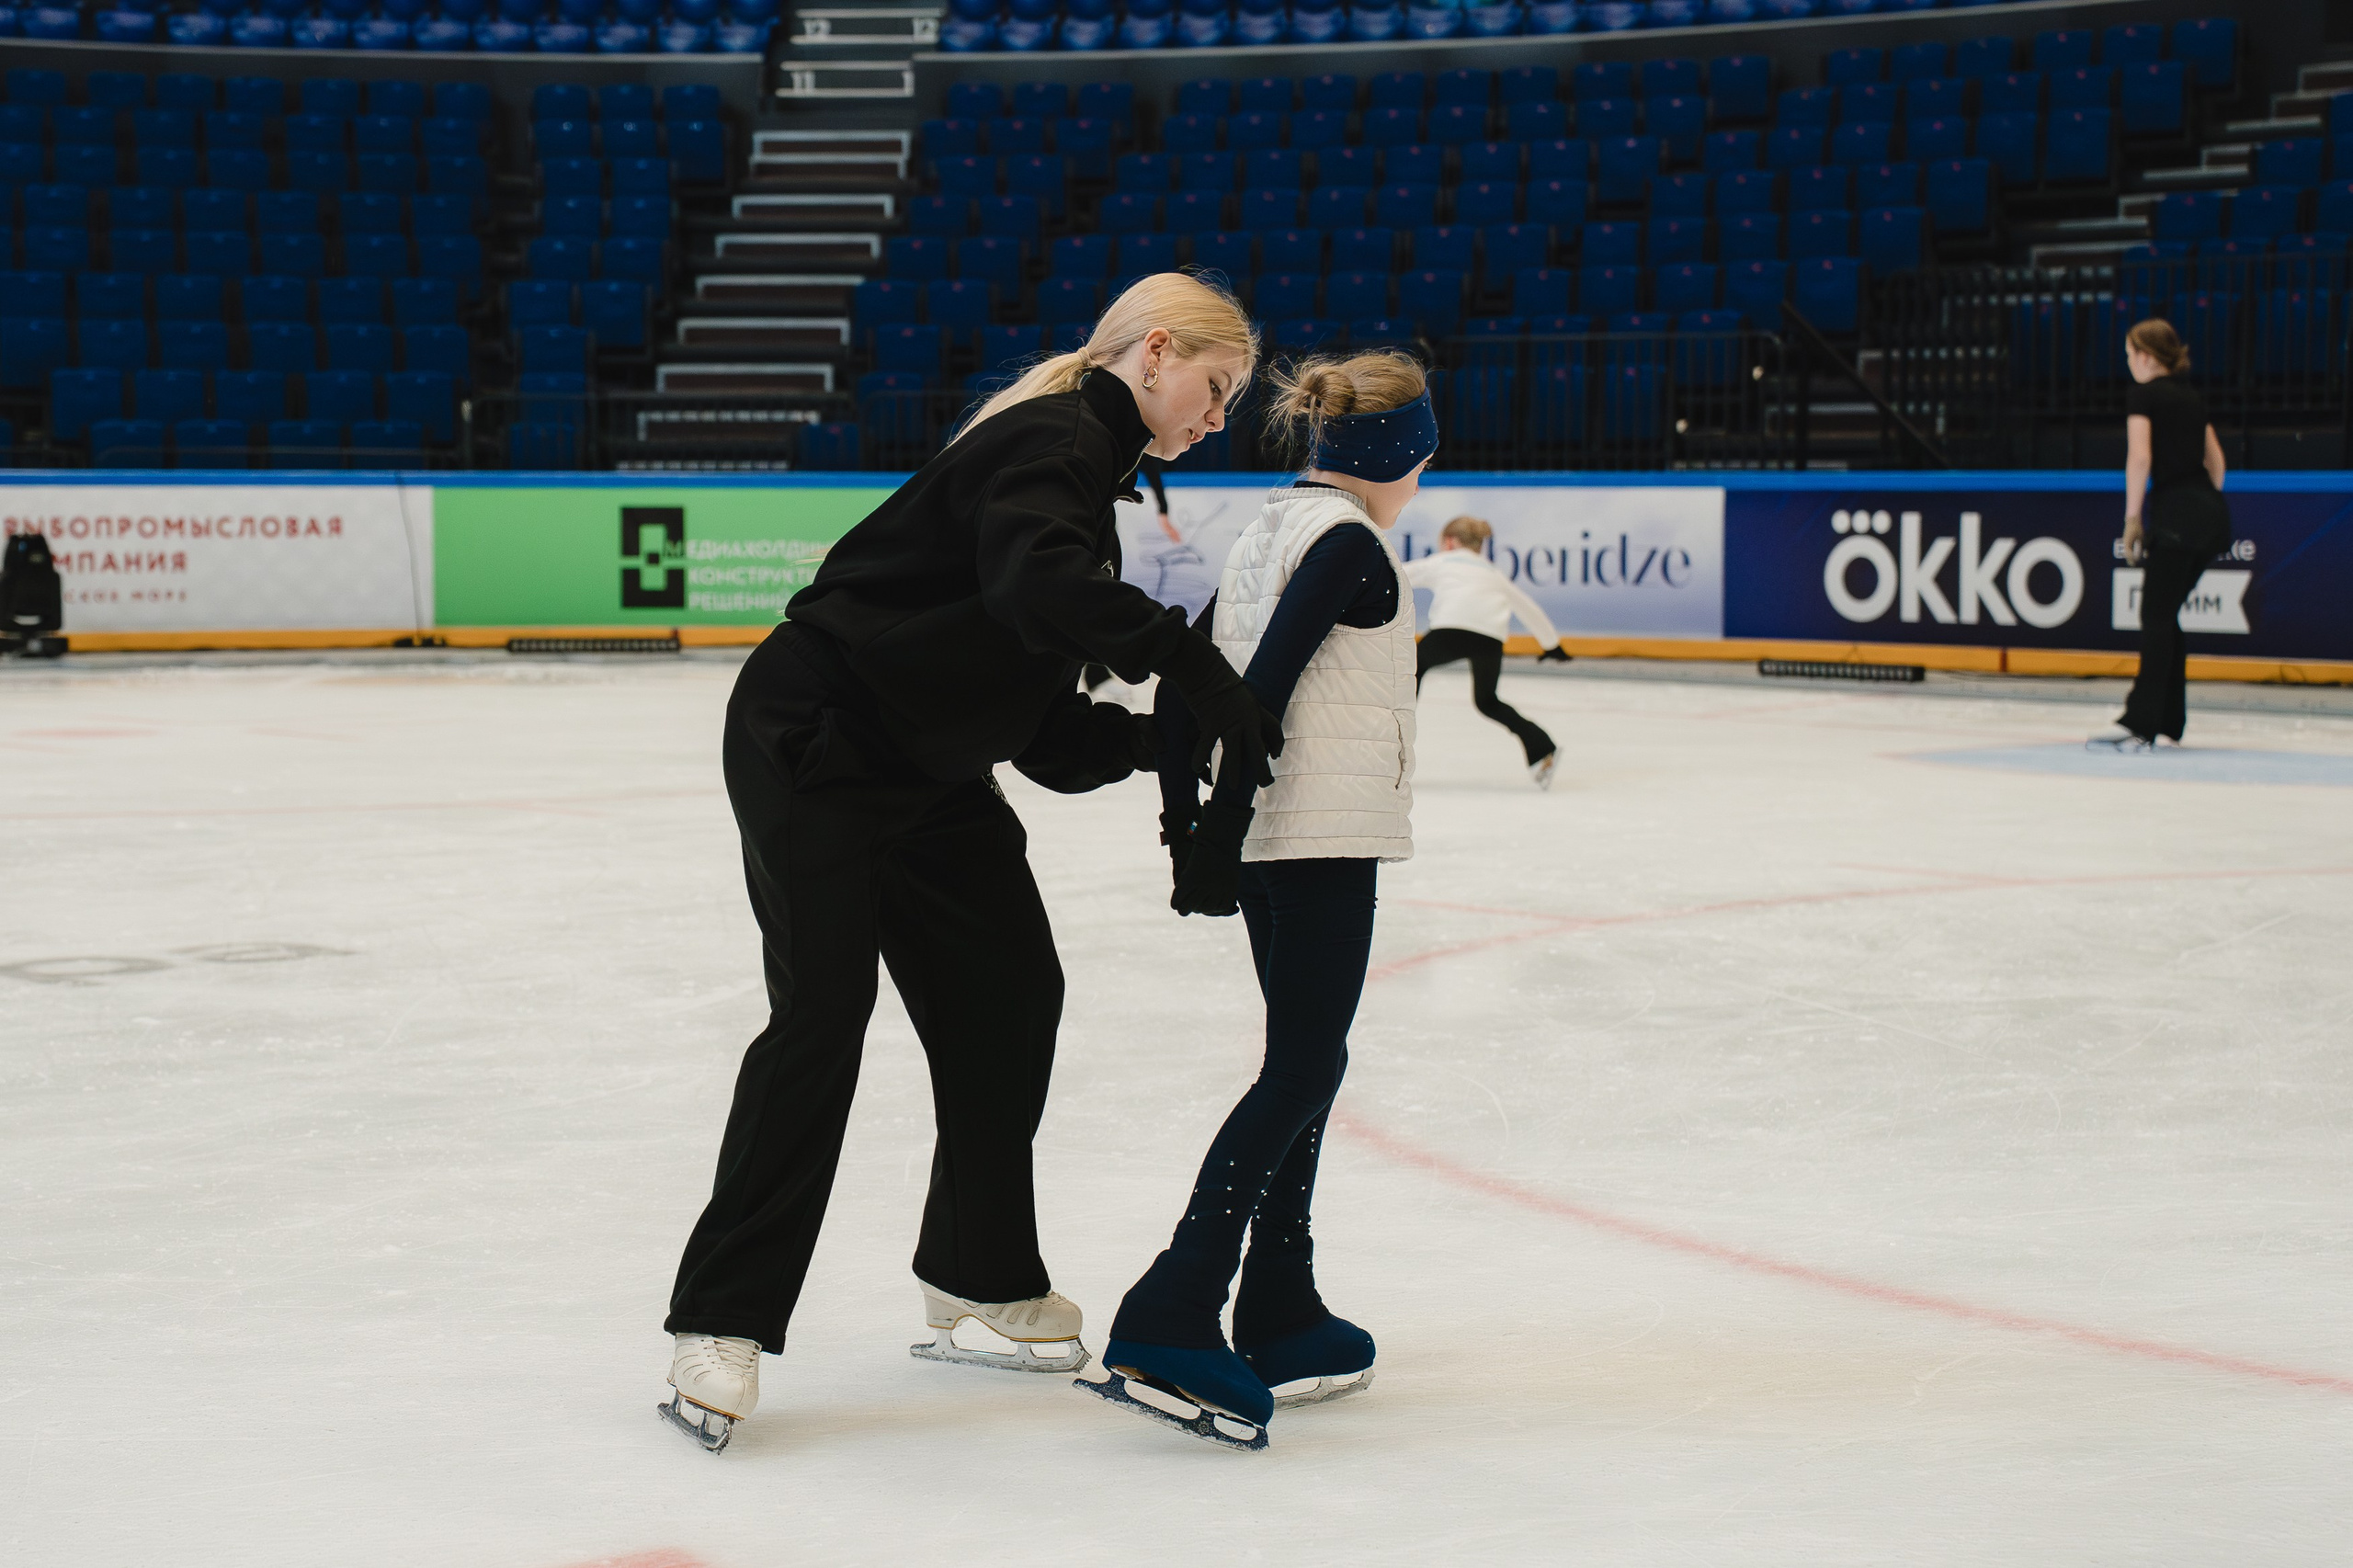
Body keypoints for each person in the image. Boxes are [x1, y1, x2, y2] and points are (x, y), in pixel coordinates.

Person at [658, 275, 1282, 1453]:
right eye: (1215, 387)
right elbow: (1037, 584)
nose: (1218, 417)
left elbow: (1040, 738)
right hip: (819, 743)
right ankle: (720, 1315)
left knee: (1008, 993)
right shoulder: (1048, 444)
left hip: (931, 772)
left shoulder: (1082, 487)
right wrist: (1186, 665)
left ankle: (977, 1271)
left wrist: (1170, 742)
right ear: (1155, 353)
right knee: (821, 1018)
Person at [1081, 351, 1437, 1452]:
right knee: (1305, 1063)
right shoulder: (1349, 545)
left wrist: (1198, 824)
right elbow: (1257, 688)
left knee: (1303, 1054)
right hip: (1318, 834)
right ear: (1399, 453)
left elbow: (1197, 679)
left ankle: (1280, 1303)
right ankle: (1176, 1302)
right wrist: (1205, 829)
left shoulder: (1266, 531)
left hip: (1275, 839)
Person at [2091, 319, 2232, 752]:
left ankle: (2142, 720)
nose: (2128, 361)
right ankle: (2169, 718)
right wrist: (2201, 504)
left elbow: (2140, 457)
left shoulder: (2144, 395)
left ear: (2147, 356)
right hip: (2210, 516)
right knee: (2166, 614)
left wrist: (2133, 517)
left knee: (2154, 616)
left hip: (2176, 518)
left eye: (2130, 353)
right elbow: (2217, 465)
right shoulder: (2192, 398)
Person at [1403, 515, 1574, 789]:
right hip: (1490, 639)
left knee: (1410, 670)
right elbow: (1528, 609)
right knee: (1487, 701)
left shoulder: (1442, 562)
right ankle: (1542, 748)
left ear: (1449, 541)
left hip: (1451, 629)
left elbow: (1396, 572)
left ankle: (1392, 740)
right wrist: (1552, 645)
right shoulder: (1493, 573)